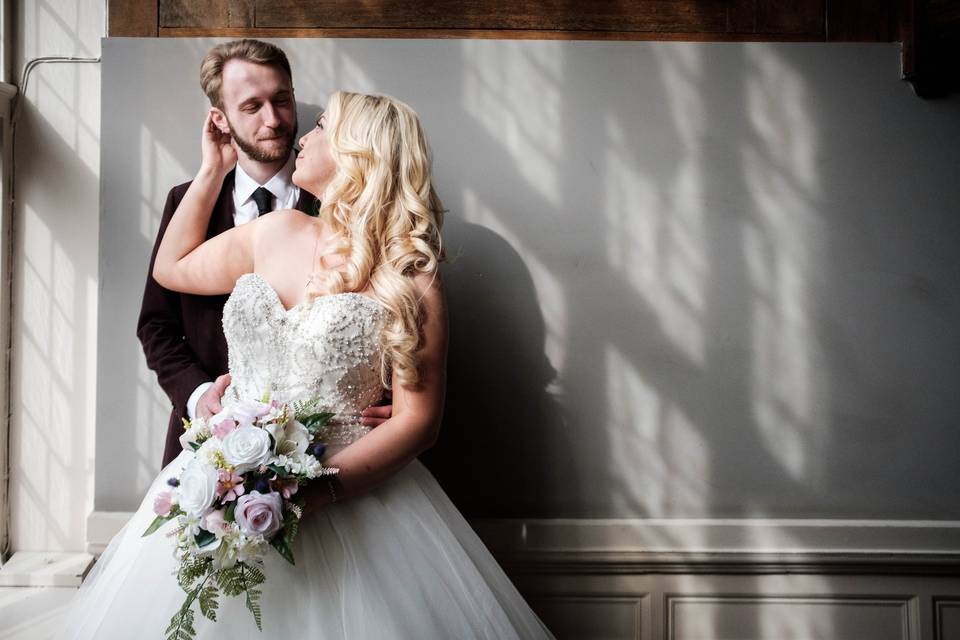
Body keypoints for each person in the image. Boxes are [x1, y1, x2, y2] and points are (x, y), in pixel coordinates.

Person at [58, 91, 555, 639]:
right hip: (226, 484)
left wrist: (318, 492)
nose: (304, 137)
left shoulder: (412, 277)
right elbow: (172, 268)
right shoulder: (274, 232)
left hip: (355, 500)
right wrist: (212, 169)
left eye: (321, 126)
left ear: (356, 152)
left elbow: (420, 421)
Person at [137, 39, 391, 468]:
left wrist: (394, 397)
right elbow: (156, 325)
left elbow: (390, 312)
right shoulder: (187, 203)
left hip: (330, 451)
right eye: (252, 107)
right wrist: (201, 396)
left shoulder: (352, 203)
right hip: (213, 446)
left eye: (282, 100)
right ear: (220, 119)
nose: (273, 120)